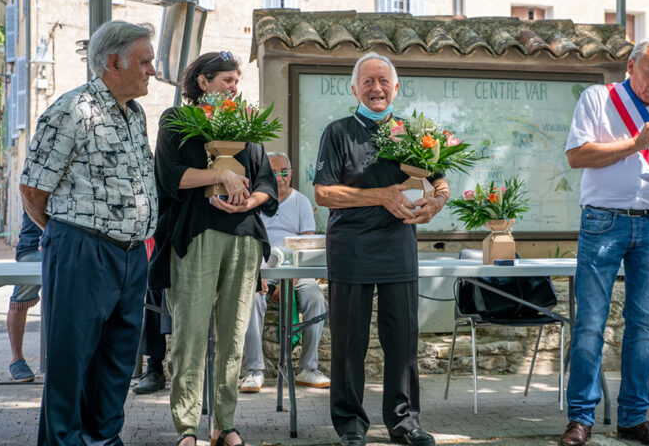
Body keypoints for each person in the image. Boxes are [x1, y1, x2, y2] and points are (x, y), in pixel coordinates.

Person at [20, 20, 159, 445]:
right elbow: (32, 188)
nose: (152, 70)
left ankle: (103, 438)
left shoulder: (134, 114)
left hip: (132, 255)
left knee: (118, 361)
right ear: (113, 63)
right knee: (71, 361)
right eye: (145, 61)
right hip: (83, 249)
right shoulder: (70, 109)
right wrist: (68, 235)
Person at [561, 38, 649, 446]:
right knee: (590, 323)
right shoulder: (597, 98)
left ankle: (634, 418)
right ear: (631, 66)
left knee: (643, 326)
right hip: (604, 220)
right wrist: (636, 143)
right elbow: (577, 155)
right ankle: (581, 419)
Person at [313, 52, 449, 446]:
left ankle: (404, 423)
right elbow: (323, 194)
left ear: (396, 87)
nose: (376, 88)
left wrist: (434, 204)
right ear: (354, 88)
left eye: (383, 81)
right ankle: (351, 425)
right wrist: (381, 196)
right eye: (368, 81)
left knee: (402, 341)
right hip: (351, 249)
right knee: (349, 342)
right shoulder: (337, 132)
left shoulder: (414, 133)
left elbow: (440, 184)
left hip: (398, 247)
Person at [150, 51, 278, 446]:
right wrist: (221, 172)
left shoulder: (247, 126)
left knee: (234, 335)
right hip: (195, 233)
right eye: (226, 80)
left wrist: (248, 200)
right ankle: (187, 428)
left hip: (244, 237)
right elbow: (169, 175)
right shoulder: (176, 120)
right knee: (189, 333)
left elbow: (267, 185)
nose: (233, 87)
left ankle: (225, 424)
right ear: (203, 82)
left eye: (237, 81)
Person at [240, 151, 330, 393]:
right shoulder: (255, 200)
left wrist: (291, 278)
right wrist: (259, 276)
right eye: (273, 172)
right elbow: (249, 241)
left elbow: (306, 246)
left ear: (291, 174)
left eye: (284, 172)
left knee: (315, 298)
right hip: (260, 269)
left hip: (296, 270)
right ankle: (255, 371)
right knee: (252, 301)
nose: (279, 178)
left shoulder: (300, 201)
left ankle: (308, 368)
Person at [2, 212, 42, 382]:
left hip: (65, 248)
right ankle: (16, 359)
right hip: (33, 246)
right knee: (21, 299)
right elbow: (31, 199)